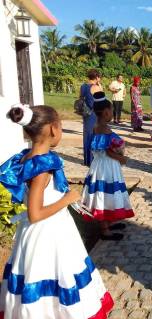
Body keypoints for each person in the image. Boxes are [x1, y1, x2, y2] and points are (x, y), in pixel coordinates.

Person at [0, 104, 113, 317]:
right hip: (46, 233)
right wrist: (68, 199)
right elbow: (35, 213)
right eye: (61, 127)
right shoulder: (41, 168)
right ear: (53, 129)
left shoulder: (26, 158)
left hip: (42, 231)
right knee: (54, 272)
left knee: (41, 275)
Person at [81, 92, 135, 241]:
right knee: (106, 192)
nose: (112, 113)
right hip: (107, 166)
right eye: (111, 110)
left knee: (104, 192)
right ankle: (104, 230)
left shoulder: (96, 126)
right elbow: (109, 152)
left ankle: (107, 223)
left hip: (100, 165)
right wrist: (123, 158)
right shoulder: (104, 129)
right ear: (105, 112)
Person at [81, 69, 102, 166]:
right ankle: (93, 160)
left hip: (86, 114)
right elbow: (102, 100)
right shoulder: (96, 87)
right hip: (94, 114)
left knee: (87, 136)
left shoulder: (83, 86)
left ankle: (87, 160)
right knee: (95, 136)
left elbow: (81, 99)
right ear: (97, 77)